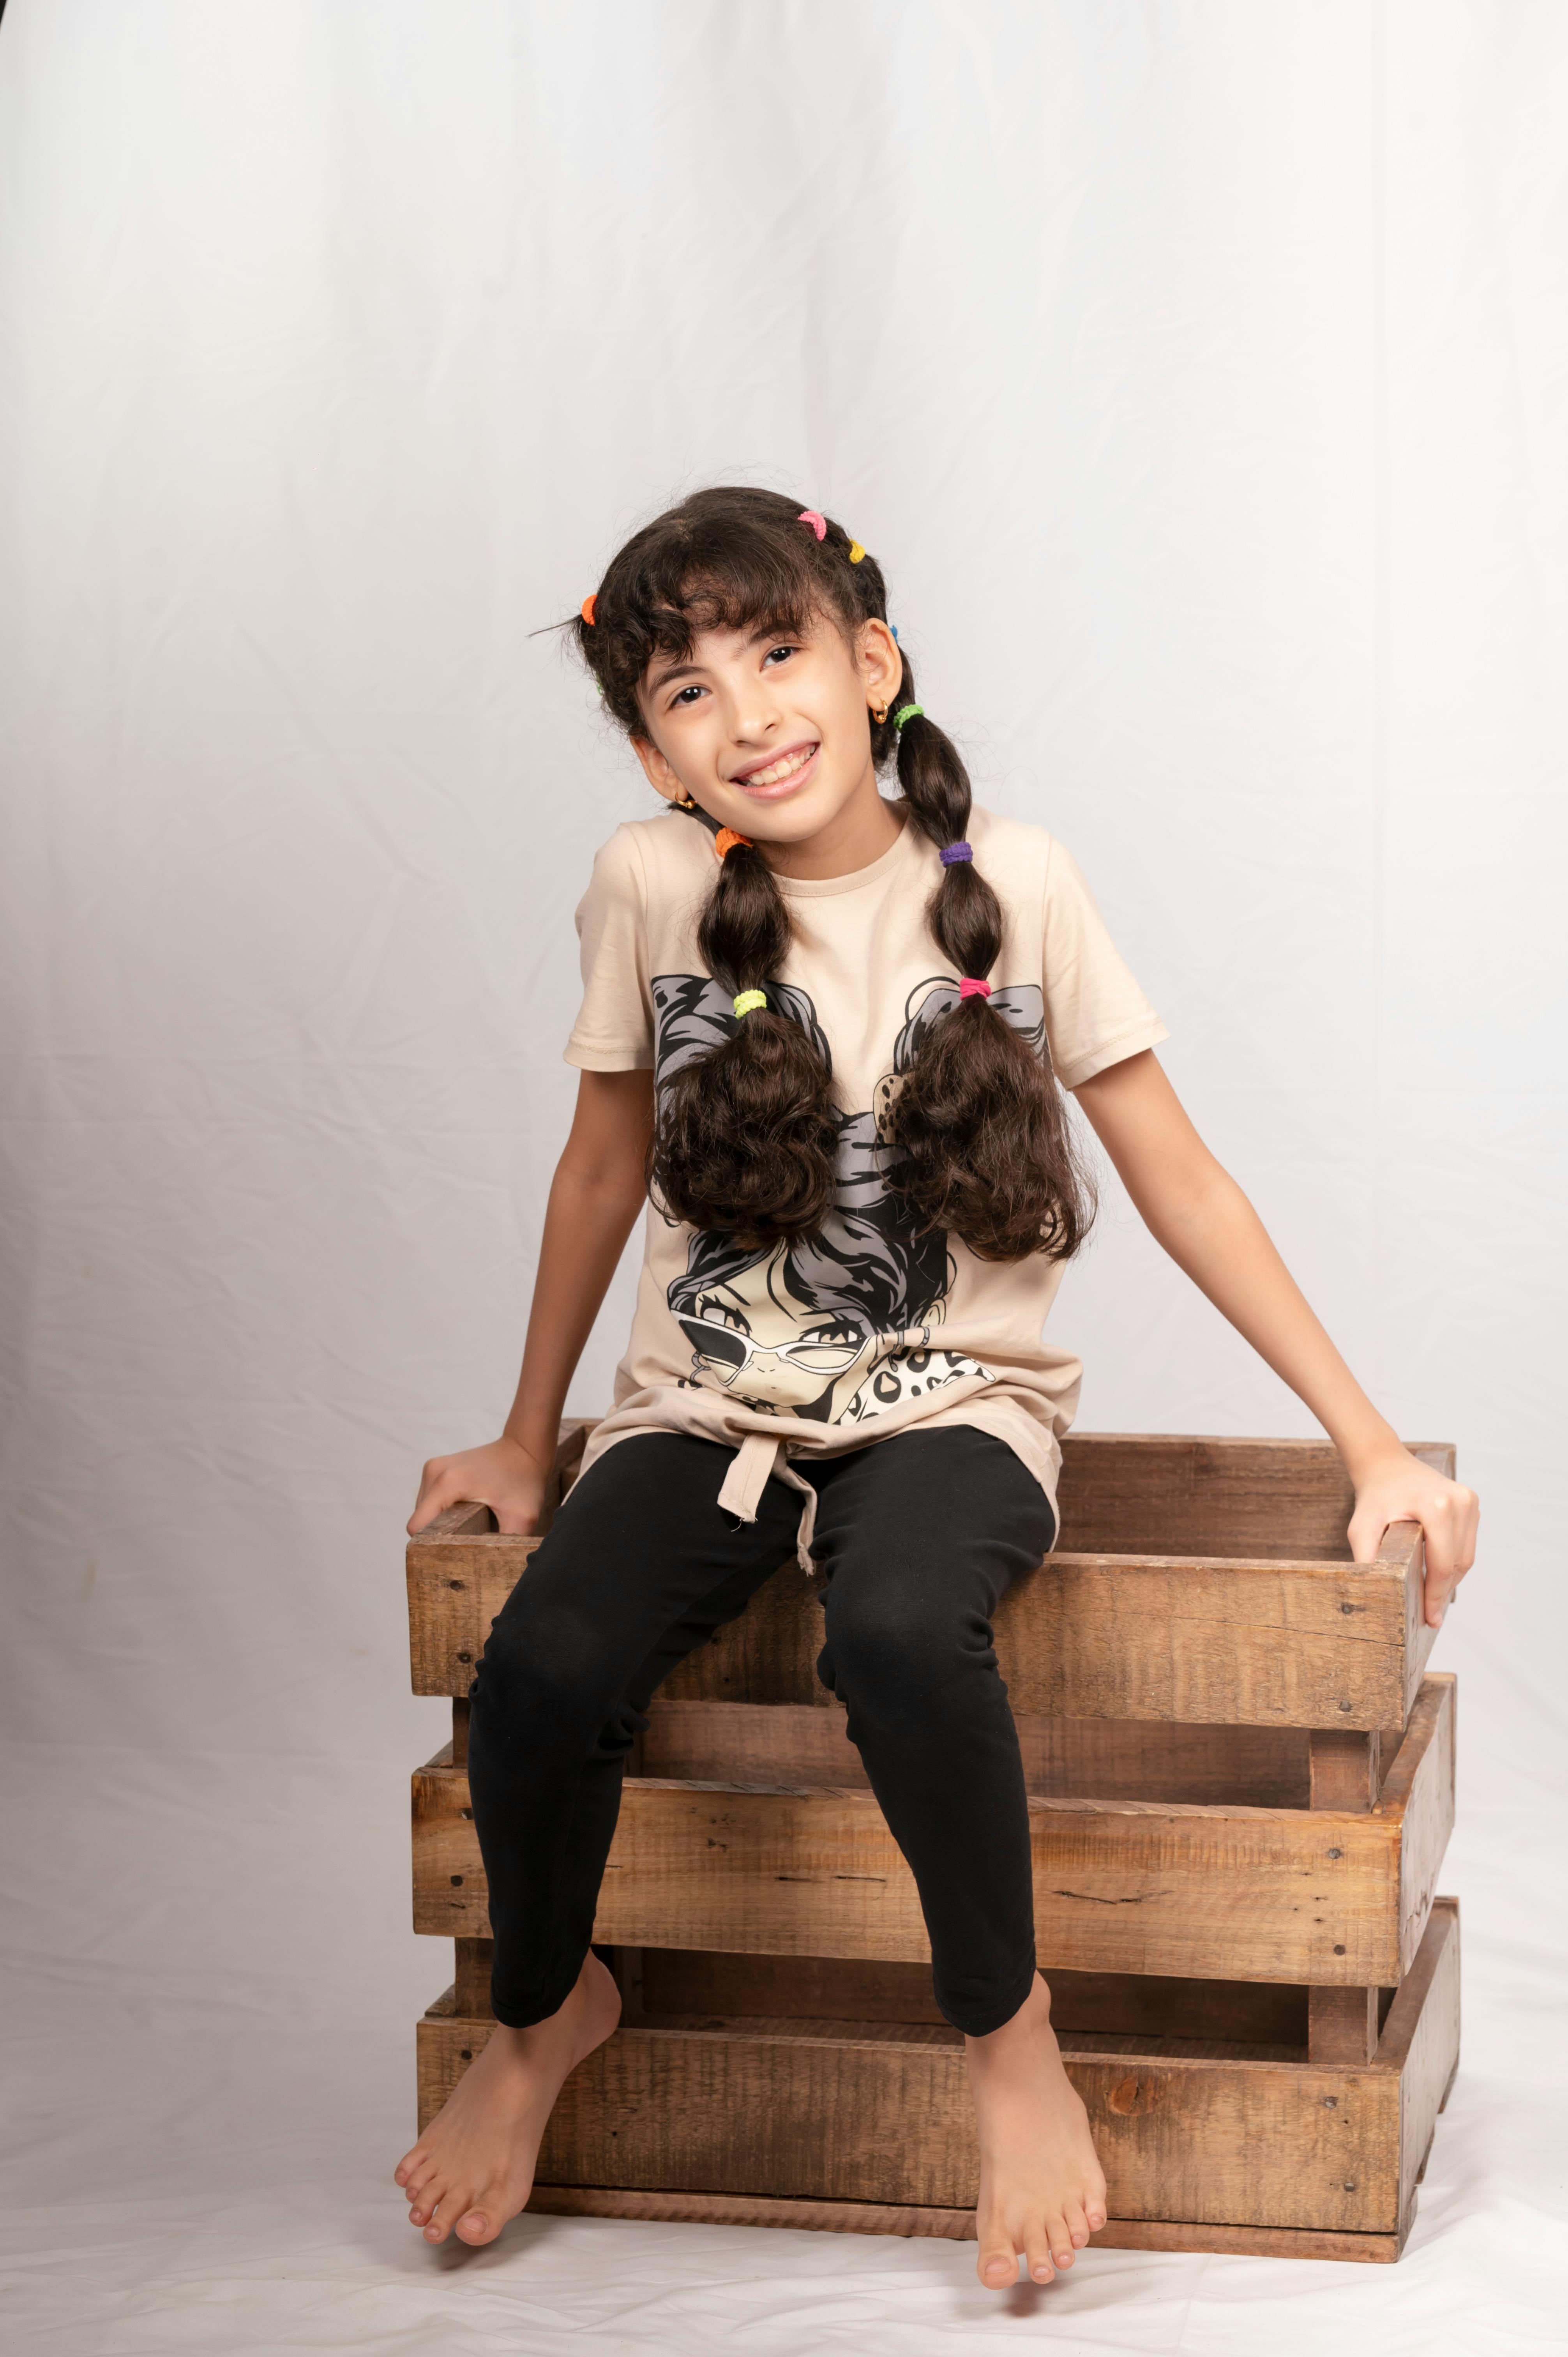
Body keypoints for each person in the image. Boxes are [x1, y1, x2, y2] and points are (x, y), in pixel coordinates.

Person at [394, 486, 1479, 2285]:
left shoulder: (1015, 888)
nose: (744, 713)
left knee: (898, 1630)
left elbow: (1179, 1179)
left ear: (867, 659)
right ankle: (541, 2011)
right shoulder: (650, 888)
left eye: (776, 650)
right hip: (706, 1411)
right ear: (656, 756)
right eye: (682, 692)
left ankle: (1008, 2041)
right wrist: (528, 1435)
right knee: (540, 1662)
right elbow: (599, 1170)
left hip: (951, 1407)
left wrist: (1365, 1443)